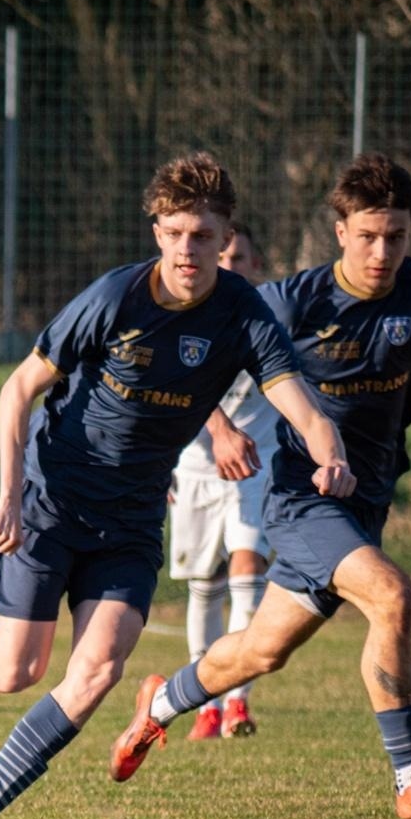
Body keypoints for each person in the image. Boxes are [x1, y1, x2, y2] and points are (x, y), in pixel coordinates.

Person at [0, 152, 353, 819]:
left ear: (226, 237)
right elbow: (18, 389)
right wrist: (9, 496)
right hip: (53, 499)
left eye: (203, 235)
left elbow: (301, 405)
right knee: (14, 670)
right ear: (157, 232)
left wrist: (331, 454)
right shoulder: (115, 298)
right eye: (175, 234)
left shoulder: (244, 314)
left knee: (100, 668)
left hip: (132, 517)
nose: (188, 250)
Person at [111, 154, 411, 819]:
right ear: (340, 231)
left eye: (396, 237)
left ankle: (158, 705)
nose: (382, 252)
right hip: (300, 498)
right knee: (392, 594)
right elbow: (190, 362)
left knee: (262, 651)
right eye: (368, 236)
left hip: (366, 502)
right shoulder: (295, 301)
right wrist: (218, 430)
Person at [168, 222, 276, 740]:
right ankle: (206, 703)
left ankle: (237, 701)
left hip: (257, 466)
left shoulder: (271, 318)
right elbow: (171, 390)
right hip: (195, 468)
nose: (230, 266)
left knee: (248, 563)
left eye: (239, 259)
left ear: (256, 266)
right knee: (205, 583)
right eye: (223, 257)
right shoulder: (183, 313)